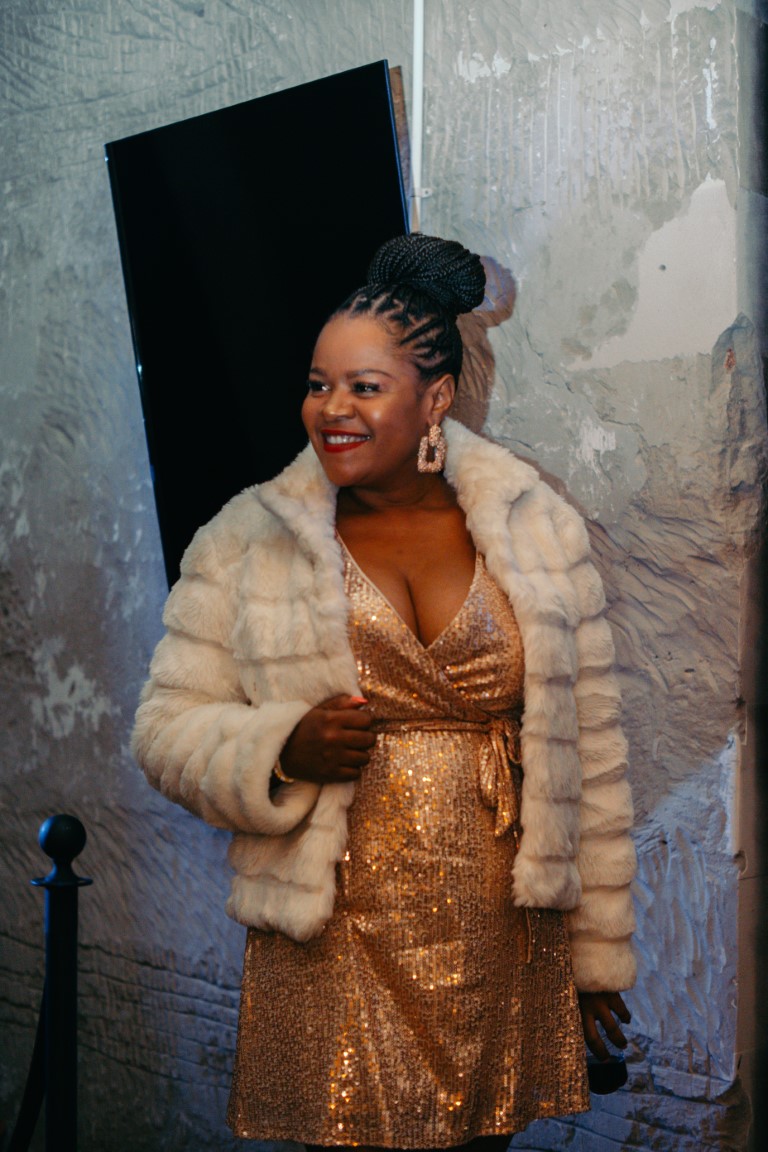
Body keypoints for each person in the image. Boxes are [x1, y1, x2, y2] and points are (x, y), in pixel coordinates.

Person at [131, 232, 637, 1151]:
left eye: (364, 386)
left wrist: (595, 953)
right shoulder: (250, 538)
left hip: (499, 932)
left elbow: (589, 758)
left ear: (434, 398)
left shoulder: (535, 530)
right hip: (334, 932)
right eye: (318, 384)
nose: (331, 409)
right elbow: (165, 729)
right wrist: (281, 747)